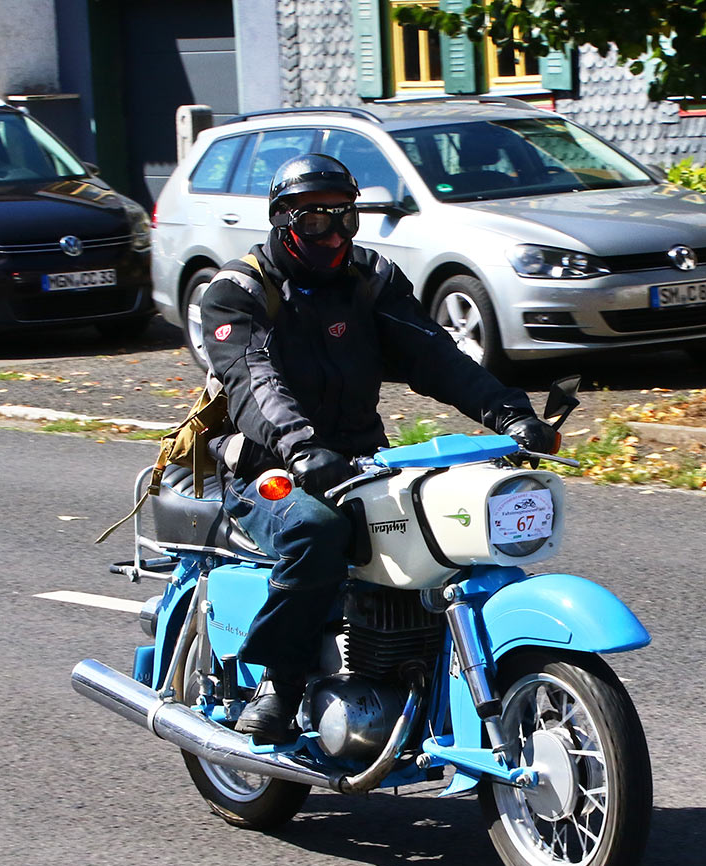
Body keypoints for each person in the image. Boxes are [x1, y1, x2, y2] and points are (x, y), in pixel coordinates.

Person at [198, 153, 556, 745]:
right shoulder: (238, 291)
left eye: (345, 216)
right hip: (267, 464)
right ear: (282, 218)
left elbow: (434, 355)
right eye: (315, 219)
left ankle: (418, 671)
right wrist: (301, 446)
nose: (334, 233)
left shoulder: (371, 279)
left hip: (361, 461)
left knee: (439, 524)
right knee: (316, 531)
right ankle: (281, 683)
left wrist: (508, 411)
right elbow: (254, 380)